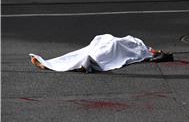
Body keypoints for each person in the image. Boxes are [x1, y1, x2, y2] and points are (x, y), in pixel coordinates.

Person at [30, 34, 173, 72]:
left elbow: (128, 54)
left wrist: (152, 53)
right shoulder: (141, 45)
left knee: (94, 55)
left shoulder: (144, 53)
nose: (154, 49)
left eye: (156, 51)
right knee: (82, 52)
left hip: (113, 49)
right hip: (108, 43)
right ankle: (51, 64)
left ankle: (50, 65)